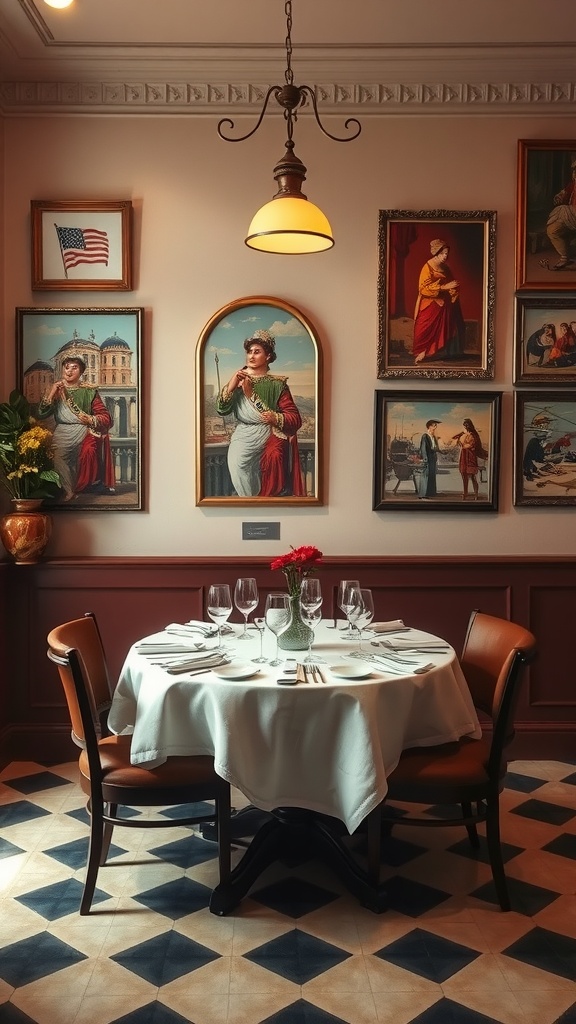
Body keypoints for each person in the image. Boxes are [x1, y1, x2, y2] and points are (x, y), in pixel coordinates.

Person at [216, 330, 304, 498]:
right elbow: (222, 409)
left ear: (268, 356)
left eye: (257, 352)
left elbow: (295, 418)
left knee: (273, 459)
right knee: (237, 464)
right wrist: (232, 386)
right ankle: (249, 502)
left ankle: (261, 502)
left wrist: (275, 417)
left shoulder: (277, 384)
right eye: (249, 352)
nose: (251, 356)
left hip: (267, 434)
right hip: (243, 434)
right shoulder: (238, 378)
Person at [37, 356, 115, 502]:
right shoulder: (57, 390)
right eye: (66, 367)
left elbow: (106, 417)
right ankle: (68, 491)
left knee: (87, 452)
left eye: (74, 368)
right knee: (57, 457)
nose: (69, 371)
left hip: (82, 431)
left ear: (81, 372)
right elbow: (41, 414)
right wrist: (52, 393)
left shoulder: (89, 392)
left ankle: (80, 488)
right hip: (62, 431)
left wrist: (91, 419)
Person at [413, 239, 465, 364]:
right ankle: (421, 351)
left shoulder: (445, 268)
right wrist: (443, 287)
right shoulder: (427, 267)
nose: (445, 256)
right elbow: (423, 289)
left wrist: (453, 289)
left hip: (443, 306)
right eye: (443, 254)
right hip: (429, 305)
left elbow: (452, 283)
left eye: (447, 254)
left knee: (440, 331)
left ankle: (429, 352)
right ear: (436, 253)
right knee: (423, 329)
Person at [545, 157, 576, 270]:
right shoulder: (572, 185)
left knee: (562, 209)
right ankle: (564, 257)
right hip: (570, 219)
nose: (575, 173)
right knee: (552, 230)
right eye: (574, 171)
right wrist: (559, 197)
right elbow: (563, 195)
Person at [452, 418, 488, 500]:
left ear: (470, 426)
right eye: (464, 426)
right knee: (464, 476)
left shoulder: (473, 435)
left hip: (471, 457)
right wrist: (460, 435)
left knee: (472, 477)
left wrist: (461, 443)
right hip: (464, 457)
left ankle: (476, 494)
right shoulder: (464, 434)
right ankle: (465, 493)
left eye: (466, 425)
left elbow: (469, 445)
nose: (465, 427)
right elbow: (454, 438)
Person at [418, 419, 441, 499]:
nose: (435, 427)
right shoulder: (425, 436)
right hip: (427, 458)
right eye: (434, 425)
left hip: (432, 458)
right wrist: (425, 459)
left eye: (436, 425)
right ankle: (423, 494)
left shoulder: (434, 437)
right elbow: (423, 449)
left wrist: (441, 451)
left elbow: (435, 448)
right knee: (426, 475)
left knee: (432, 475)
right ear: (429, 426)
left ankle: (431, 493)